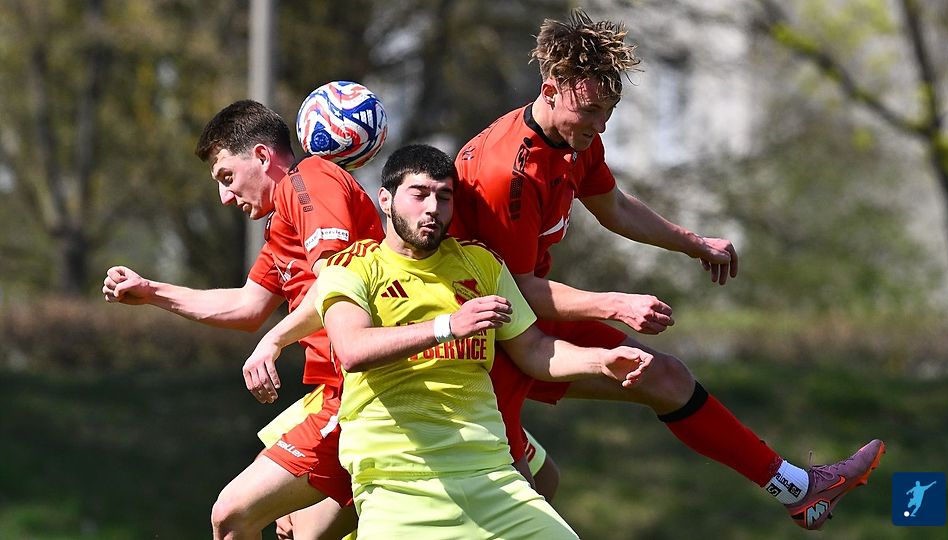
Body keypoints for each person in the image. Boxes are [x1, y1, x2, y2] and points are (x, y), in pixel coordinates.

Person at [448, 8, 885, 531]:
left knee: (664, 377)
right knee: (516, 492)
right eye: (590, 111)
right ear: (550, 90)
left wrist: (693, 243)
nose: (599, 125)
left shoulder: (574, 138)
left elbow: (614, 207)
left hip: (526, 318)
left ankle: (799, 490)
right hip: (482, 334)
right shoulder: (509, 174)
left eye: (608, 113)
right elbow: (516, 290)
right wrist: (615, 304)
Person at [255, 143, 653, 538]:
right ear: (385, 200)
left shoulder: (480, 263)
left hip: (492, 478)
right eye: (419, 194)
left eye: (444, 197)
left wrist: (600, 362)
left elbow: (534, 349)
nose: (432, 208)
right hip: (399, 488)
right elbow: (352, 349)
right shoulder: (355, 267)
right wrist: (448, 326)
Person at [102, 99, 383, 540]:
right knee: (295, 532)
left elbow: (336, 282)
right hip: (341, 392)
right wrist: (152, 292)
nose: (225, 197)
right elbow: (248, 306)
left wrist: (274, 341)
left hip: (361, 393)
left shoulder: (310, 180)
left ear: (262, 156)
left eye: (227, 177)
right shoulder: (283, 221)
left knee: (232, 516)